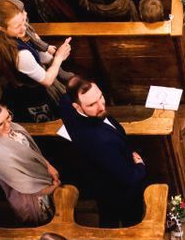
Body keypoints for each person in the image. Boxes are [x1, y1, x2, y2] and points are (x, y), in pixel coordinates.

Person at [58, 80, 150, 228]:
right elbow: (128, 178)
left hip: (98, 178)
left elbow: (65, 98)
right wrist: (140, 167)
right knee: (129, 220)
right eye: (91, 105)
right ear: (77, 106)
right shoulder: (101, 141)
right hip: (120, 192)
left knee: (107, 212)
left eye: (100, 97)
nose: (101, 106)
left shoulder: (67, 106)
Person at [0, 85, 60, 224]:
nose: (8, 126)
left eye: (8, 117)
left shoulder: (5, 126)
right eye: (0, 124)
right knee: (42, 221)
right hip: (31, 196)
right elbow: (24, 185)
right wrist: (52, 188)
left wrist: (48, 165)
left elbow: (31, 150)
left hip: (43, 178)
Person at [0, 0, 75, 113]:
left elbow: (36, 53)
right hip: (33, 92)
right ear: (2, 28)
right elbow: (47, 81)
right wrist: (58, 58)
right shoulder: (21, 56)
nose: (24, 28)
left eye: (23, 21)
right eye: (17, 26)